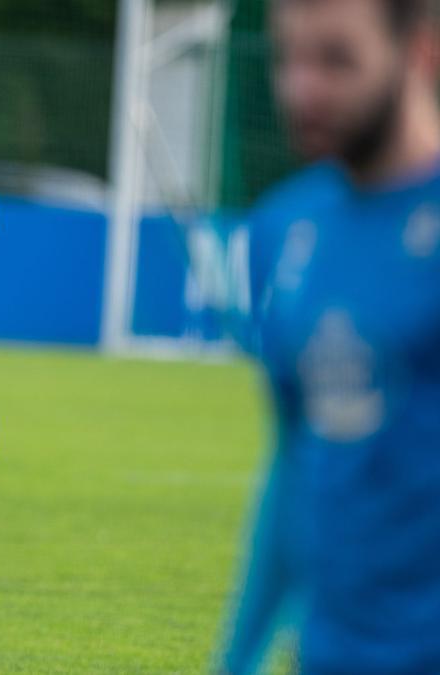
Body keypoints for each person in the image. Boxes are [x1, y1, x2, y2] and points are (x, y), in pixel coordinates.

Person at [219, 0, 440, 672]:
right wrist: (237, 660)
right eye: (290, 58)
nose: (302, 89)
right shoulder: (280, 230)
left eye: (337, 60)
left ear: (421, 53)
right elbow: (292, 468)